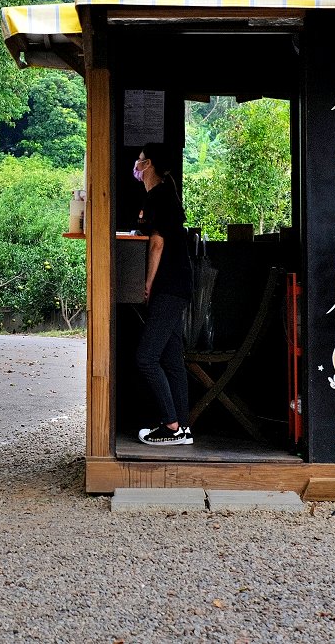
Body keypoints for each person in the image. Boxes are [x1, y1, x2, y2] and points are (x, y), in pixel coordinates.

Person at [132, 143, 195, 446]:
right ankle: (183, 427)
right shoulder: (165, 195)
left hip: (169, 286)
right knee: (171, 360)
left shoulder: (159, 196)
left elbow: (157, 244)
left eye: (141, 161)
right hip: (178, 285)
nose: (137, 164)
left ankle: (172, 428)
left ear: (150, 165)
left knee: (146, 358)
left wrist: (147, 284)